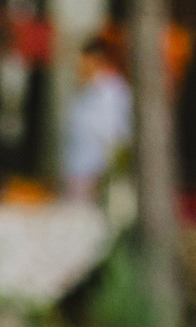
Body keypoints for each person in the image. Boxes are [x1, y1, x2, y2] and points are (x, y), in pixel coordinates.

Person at [62, 35, 133, 203]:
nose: (79, 65)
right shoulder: (83, 90)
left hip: (100, 174)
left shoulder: (114, 92)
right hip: (78, 171)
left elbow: (117, 135)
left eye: (83, 60)